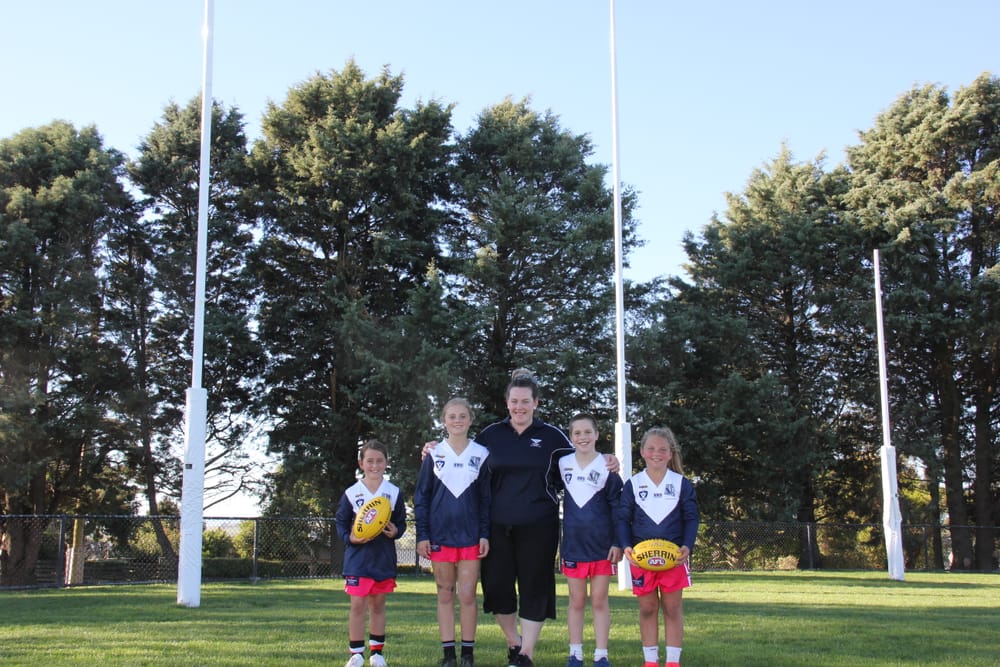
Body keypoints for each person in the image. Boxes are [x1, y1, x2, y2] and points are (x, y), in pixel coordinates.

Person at [423, 368, 620, 667]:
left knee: (534, 585)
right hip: (497, 525)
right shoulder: (491, 435)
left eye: (525, 401)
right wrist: (432, 447)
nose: (519, 407)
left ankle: (526, 652)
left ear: (536, 403)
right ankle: (513, 643)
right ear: (507, 403)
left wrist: (609, 458)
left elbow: (583, 456)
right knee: (499, 586)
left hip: (539, 525)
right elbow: (460, 452)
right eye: (514, 401)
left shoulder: (553, 437)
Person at [414, 398, 492, 667]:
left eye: (462, 416)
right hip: (440, 536)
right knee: (445, 592)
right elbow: (422, 496)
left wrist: (484, 533)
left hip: (470, 536)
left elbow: (486, 499)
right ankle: (449, 655)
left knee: (468, 595)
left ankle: (467, 654)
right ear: (444, 421)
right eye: (452, 416)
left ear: (470, 420)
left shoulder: (481, 454)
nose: (457, 420)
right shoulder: (434, 454)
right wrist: (422, 534)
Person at [616, 427, 699, 667]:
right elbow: (623, 518)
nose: (656, 453)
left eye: (662, 449)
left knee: (672, 609)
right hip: (642, 560)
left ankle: (673, 662)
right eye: (651, 448)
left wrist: (687, 545)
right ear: (642, 452)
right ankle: (650, 661)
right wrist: (626, 546)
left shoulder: (681, 484)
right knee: (648, 608)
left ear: (670, 454)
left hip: (673, 559)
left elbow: (691, 517)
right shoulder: (633, 484)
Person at [554, 413, 623, 667]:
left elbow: (618, 507)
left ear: (597, 434)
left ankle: (601, 654)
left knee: (599, 600)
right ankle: (575, 653)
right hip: (573, 545)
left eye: (587, 432)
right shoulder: (562, 463)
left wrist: (617, 541)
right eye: (577, 433)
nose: (582, 437)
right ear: (570, 437)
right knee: (576, 600)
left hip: (602, 547)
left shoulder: (607, 466)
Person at [334, 439, 407, 667]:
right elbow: (341, 522)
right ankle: (356, 654)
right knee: (357, 605)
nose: (375, 465)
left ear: (386, 463)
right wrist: (350, 538)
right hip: (358, 560)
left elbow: (400, 522)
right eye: (370, 461)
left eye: (379, 461)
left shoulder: (393, 492)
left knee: (378, 605)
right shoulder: (352, 492)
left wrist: (396, 531)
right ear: (361, 463)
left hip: (383, 559)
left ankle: (377, 653)